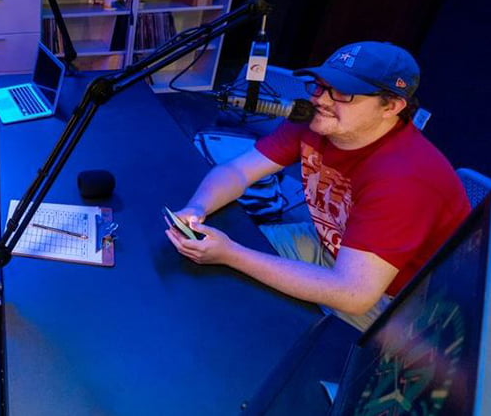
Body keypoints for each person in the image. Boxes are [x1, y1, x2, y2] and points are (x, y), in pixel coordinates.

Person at [166, 41, 470, 330]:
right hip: (329, 243)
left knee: (272, 333)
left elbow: (354, 293)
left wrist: (232, 254)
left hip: (394, 299)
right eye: (321, 86)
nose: (321, 100)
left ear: (391, 106)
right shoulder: (317, 122)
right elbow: (238, 172)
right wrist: (198, 206)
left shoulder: (405, 179)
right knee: (211, 278)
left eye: (343, 94)